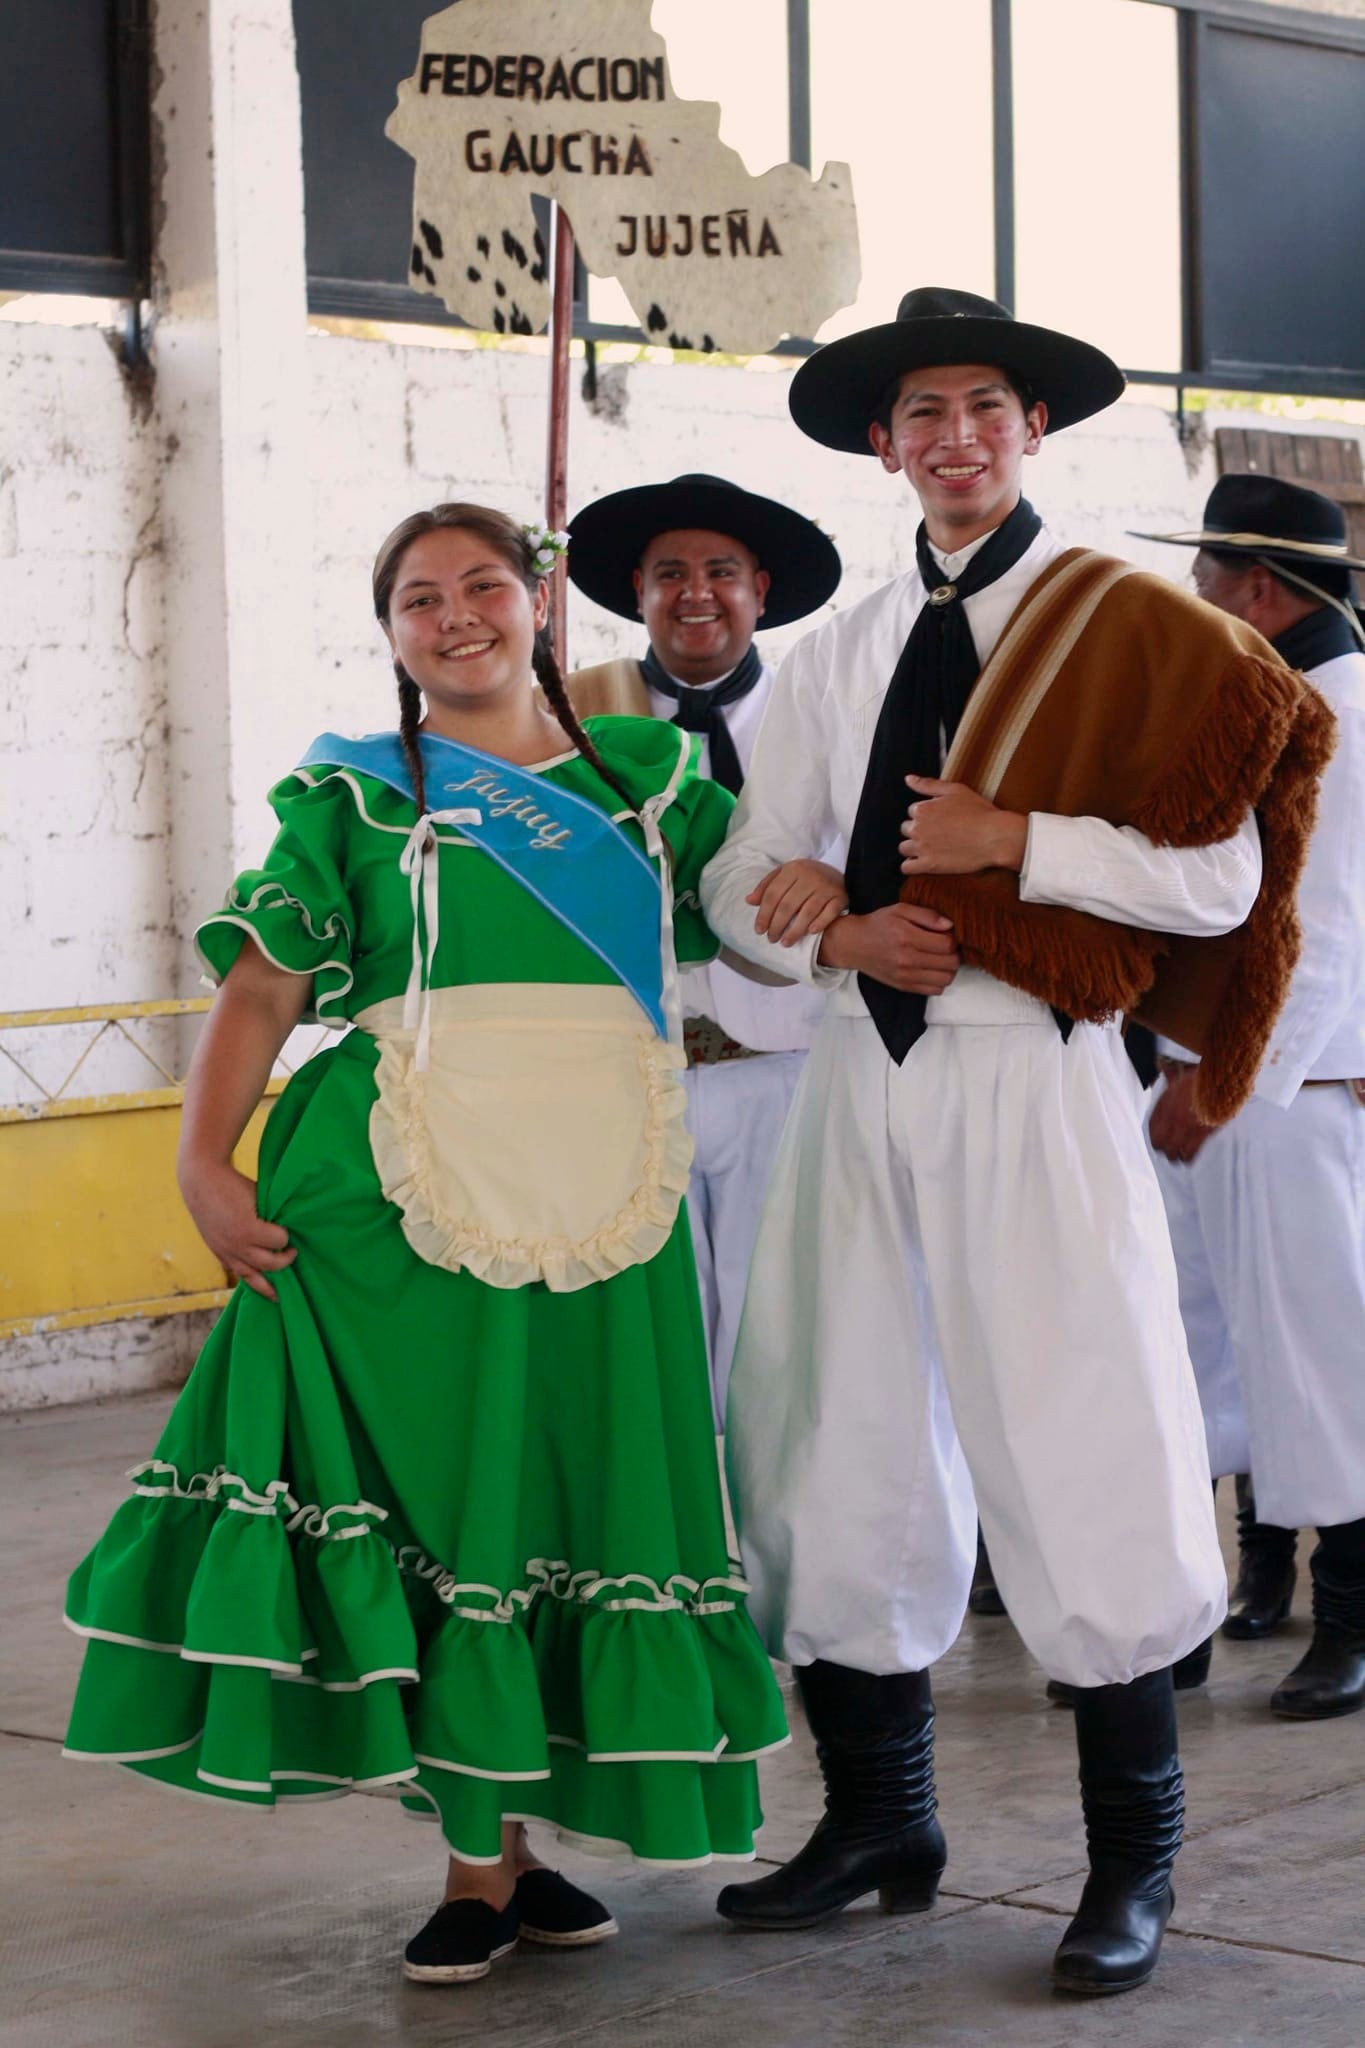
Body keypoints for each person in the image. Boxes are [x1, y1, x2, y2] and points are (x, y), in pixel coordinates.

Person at [699, 288, 1333, 1997]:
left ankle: (1133, 1864)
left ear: (1032, 427)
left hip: (1031, 1067)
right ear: (882, 442)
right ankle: (879, 1822)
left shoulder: (1136, 624)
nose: (954, 437)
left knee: (1080, 1428)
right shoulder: (839, 647)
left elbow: (1217, 880)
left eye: (984, 405)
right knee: (838, 1432)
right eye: (921, 413)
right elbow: (738, 867)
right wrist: (834, 934)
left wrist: (1013, 839)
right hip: (858, 1064)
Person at [61, 504, 788, 1989]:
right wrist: (202, 1160)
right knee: (449, 1507)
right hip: (399, 1199)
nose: (454, 616)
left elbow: (766, 906)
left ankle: (517, 1845)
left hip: (608, 1196)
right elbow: (264, 992)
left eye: (481, 587)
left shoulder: (654, 782)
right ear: (389, 632)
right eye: (416, 599)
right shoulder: (352, 798)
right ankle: (476, 1864)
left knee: (565, 1498)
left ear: (539, 602)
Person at [1137, 473, 1365, 1719]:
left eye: (1208, 580)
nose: (1197, 600)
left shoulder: (1343, 709)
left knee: (1316, 1349)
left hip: (1295, 1090)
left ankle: (1353, 1610)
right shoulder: (1276, 698)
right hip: (1219, 1076)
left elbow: (1319, 934)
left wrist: (1228, 1087)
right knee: (1203, 1337)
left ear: (1264, 595)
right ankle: (1250, 1570)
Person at [565, 475, 842, 1426]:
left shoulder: (826, 720)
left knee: (783, 1337)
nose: (696, 594)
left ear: (760, 589)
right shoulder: (569, 723)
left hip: (788, 1070)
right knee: (653, 1340)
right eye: (669, 573)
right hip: (630, 1079)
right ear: (635, 590)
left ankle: (778, 1559)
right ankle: (679, 1552)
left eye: (720, 572)